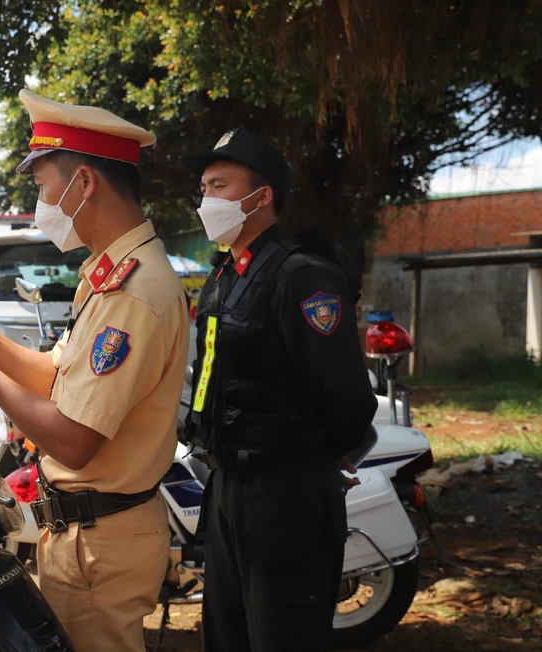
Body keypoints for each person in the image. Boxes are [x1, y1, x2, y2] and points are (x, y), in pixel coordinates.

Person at [0, 89, 189, 652]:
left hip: (102, 539)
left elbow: (75, 440)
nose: (41, 202)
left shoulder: (135, 293)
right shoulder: (108, 274)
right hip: (88, 534)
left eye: (43, 186)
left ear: (84, 183)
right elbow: (57, 377)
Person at [179, 127, 378, 652]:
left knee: (282, 637)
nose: (207, 201)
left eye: (219, 186)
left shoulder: (302, 276)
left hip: (285, 495)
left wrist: (311, 464)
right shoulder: (226, 275)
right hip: (226, 488)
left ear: (261, 197)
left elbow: (348, 399)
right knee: (226, 636)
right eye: (203, 189)